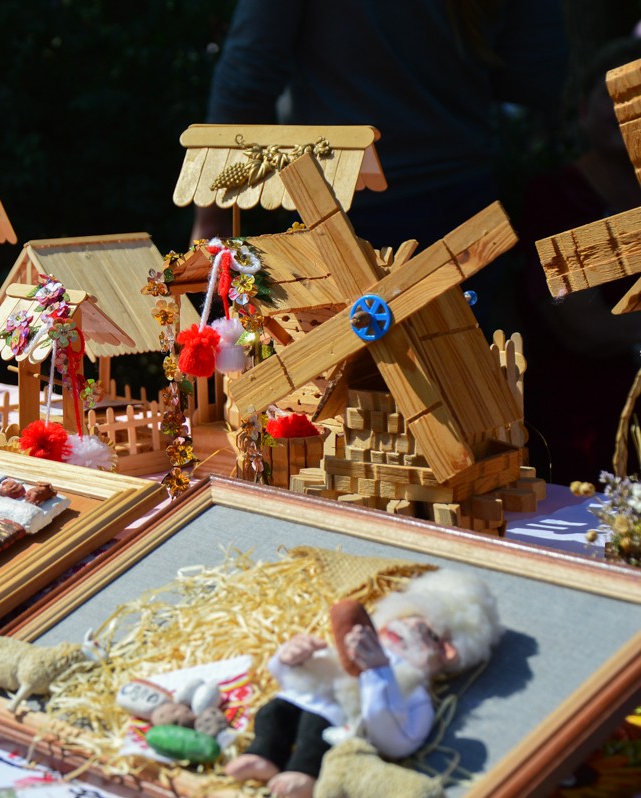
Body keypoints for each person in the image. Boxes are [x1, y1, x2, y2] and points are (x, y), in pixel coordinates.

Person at [194, 0, 568, 249]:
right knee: (471, 343)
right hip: (467, 200)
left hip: (343, 205)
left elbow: (250, 69)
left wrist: (213, 218)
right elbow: (538, 72)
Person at [225, 568, 503, 798]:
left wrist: (378, 673)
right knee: (271, 713)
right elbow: (291, 680)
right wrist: (289, 659)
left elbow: (397, 742)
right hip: (301, 699)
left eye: (425, 632)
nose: (406, 627)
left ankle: (304, 774)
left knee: (315, 730)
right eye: (406, 617)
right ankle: (262, 755)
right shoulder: (352, 644)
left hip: (338, 723)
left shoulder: (412, 690)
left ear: (446, 652)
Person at [517, 38, 641, 483]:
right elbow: (583, 328)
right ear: (584, 110)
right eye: (613, 95)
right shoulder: (554, 198)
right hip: (582, 425)